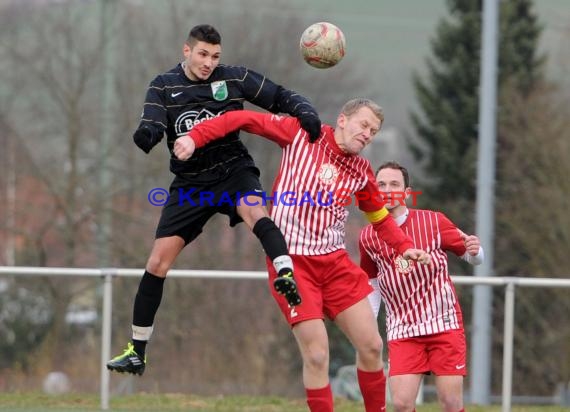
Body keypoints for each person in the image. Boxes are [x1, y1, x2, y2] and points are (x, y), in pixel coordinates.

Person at [174, 98, 432, 412]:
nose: (367, 134)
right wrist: (194, 136)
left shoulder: (362, 171)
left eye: (374, 131)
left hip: (335, 265)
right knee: (317, 354)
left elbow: (379, 219)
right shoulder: (300, 133)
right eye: (363, 125)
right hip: (292, 265)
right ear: (342, 119)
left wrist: (406, 247)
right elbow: (242, 119)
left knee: (372, 346)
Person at [106, 24, 322, 376]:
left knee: (255, 212)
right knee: (158, 262)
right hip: (191, 183)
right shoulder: (163, 85)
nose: (209, 62)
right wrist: (148, 133)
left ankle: (286, 272)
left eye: (215, 56)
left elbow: (282, 96)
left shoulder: (233, 78)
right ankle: (137, 350)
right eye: (203, 54)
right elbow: (152, 120)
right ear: (186, 51)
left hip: (233, 168)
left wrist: (306, 112)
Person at [359, 161, 484, 412]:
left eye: (394, 184)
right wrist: (368, 324)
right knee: (402, 404)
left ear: (406, 193)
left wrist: (476, 250)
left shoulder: (433, 221)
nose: (387, 190)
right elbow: (371, 282)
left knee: (450, 403)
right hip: (402, 329)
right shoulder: (368, 236)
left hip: (443, 324)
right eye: (381, 184)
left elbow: (475, 257)